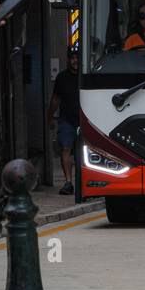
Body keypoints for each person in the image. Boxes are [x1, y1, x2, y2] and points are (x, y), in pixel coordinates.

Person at [48, 50, 80, 196]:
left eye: (77, 58)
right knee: (65, 148)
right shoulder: (62, 77)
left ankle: (85, 181)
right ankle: (68, 182)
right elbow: (55, 99)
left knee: (83, 152)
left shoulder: (85, 76)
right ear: (67, 60)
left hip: (84, 120)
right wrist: (50, 117)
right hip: (66, 119)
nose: (75, 61)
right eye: (72, 58)